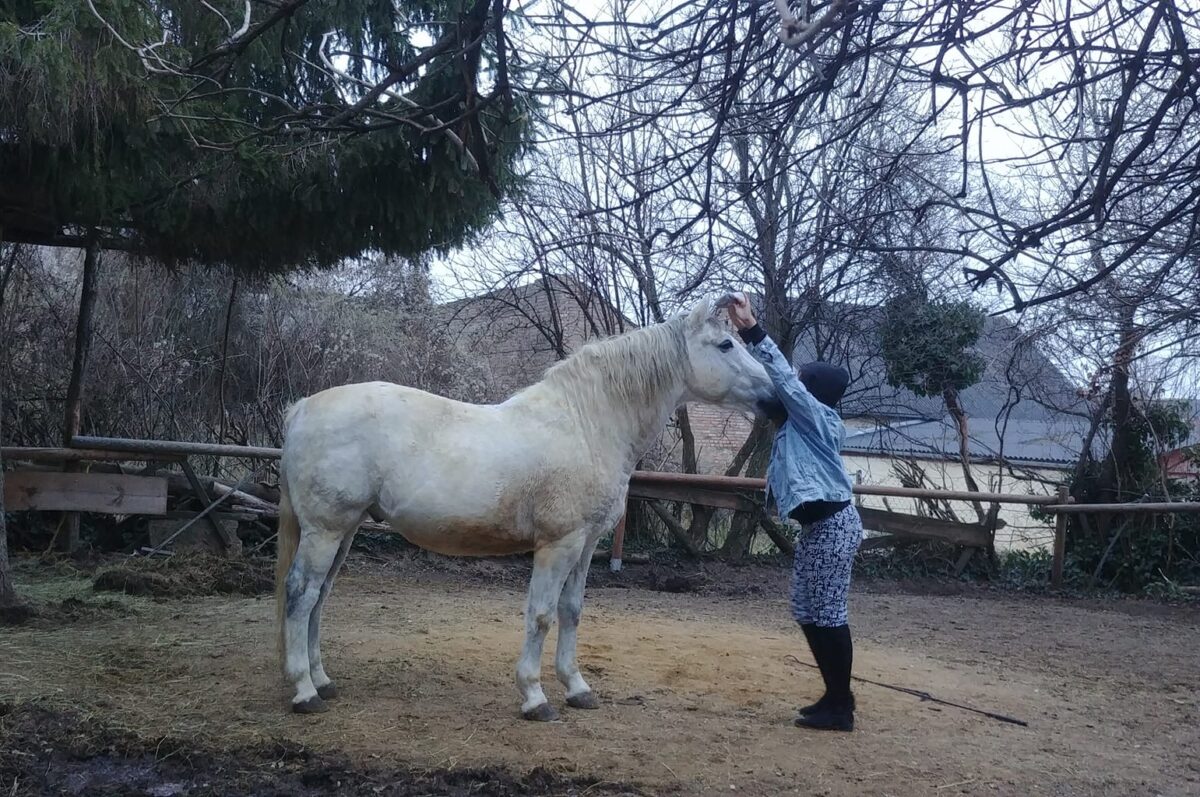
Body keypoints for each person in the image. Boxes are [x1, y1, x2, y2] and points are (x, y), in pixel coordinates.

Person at [726, 294, 863, 732]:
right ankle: (833, 695)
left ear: (812, 392)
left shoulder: (819, 417)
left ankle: (841, 707)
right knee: (808, 611)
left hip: (833, 526)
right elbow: (769, 393)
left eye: (802, 384)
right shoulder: (797, 423)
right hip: (818, 529)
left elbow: (784, 381)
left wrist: (751, 330)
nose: (793, 388)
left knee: (828, 614)